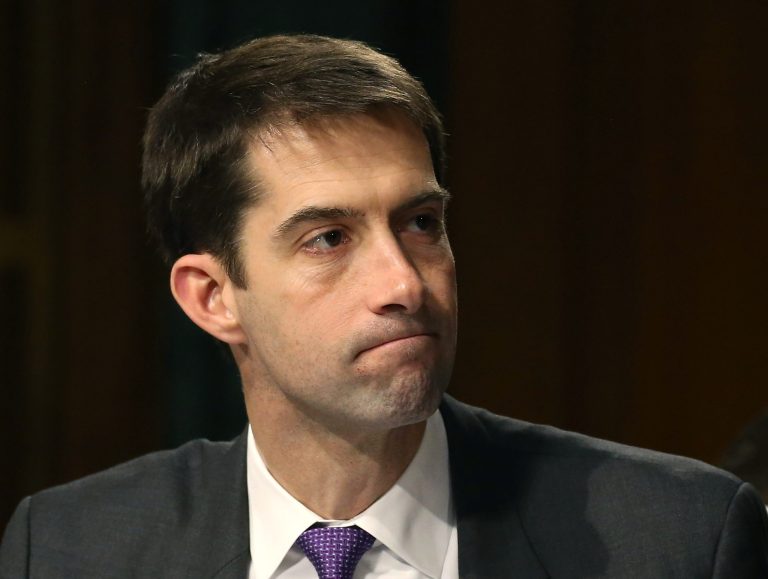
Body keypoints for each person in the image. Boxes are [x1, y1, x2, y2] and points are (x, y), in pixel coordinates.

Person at [1, 34, 766, 579]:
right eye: (330, 238)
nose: (405, 282)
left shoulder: (676, 538)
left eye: (421, 223)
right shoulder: (70, 548)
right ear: (213, 296)